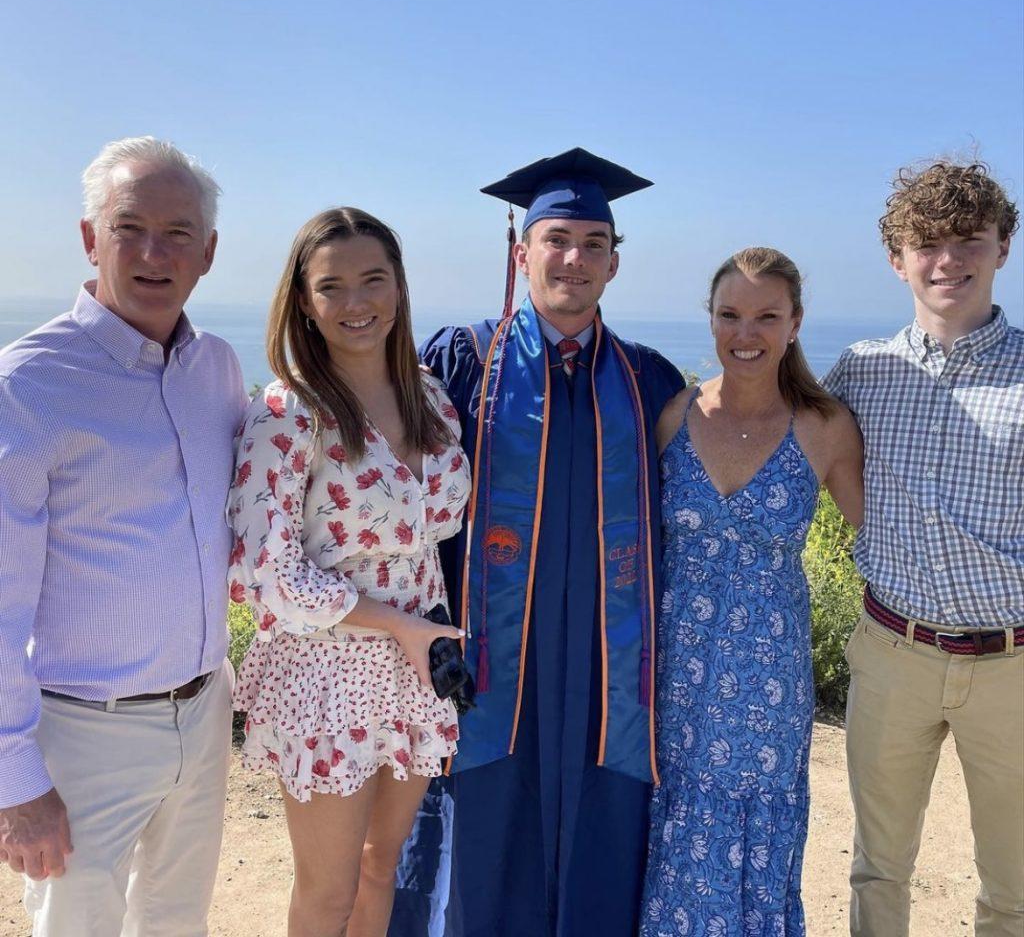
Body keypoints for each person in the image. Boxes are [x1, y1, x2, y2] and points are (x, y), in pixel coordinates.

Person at [391, 149, 686, 937]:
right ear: (521, 252)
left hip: (602, 664)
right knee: (481, 835)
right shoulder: (460, 363)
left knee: (602, 814)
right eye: (557, 239)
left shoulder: (648, 381)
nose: (574, 259)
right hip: (489, 662)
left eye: (594, 244)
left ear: (615, 264)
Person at [0, 136, 247, 935]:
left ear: (207, 253)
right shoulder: (26, 387)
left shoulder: (220, 370)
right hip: (82, 737)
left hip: (205, 714)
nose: (153, 252)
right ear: (88, 238)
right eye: (129, 227)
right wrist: (14, 780)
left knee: (179, 924)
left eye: (178, 233)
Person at [227, 207, 471, 936]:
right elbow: (261, 572)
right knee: (327, 892)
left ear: (399, 286)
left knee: (381, 865)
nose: (357, 303)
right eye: (333, 286)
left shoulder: (429, 395)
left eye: (374, 279)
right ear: (304, 300)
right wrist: (401, 627)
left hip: (417, 668)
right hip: (328, 673)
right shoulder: (290, 411)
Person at [821, 161, 1023, 937]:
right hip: (892, 650)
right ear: (897, 258)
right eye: (927, 243)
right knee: (878, 870)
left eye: (970, 239)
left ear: (1003, 247)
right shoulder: (861, 372)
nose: (949, 261)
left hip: (1013, 664)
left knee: (1013, 887)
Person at [641, 247, 863, 935]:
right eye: (730, 314)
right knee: (673, 832)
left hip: (769, 682)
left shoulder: (823, 427)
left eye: (766, 316)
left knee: (757, 838)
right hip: (675, 672)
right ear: (710, 320)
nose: (747, 333)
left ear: (795, 323)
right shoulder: (674, 415)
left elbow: (883, 538)